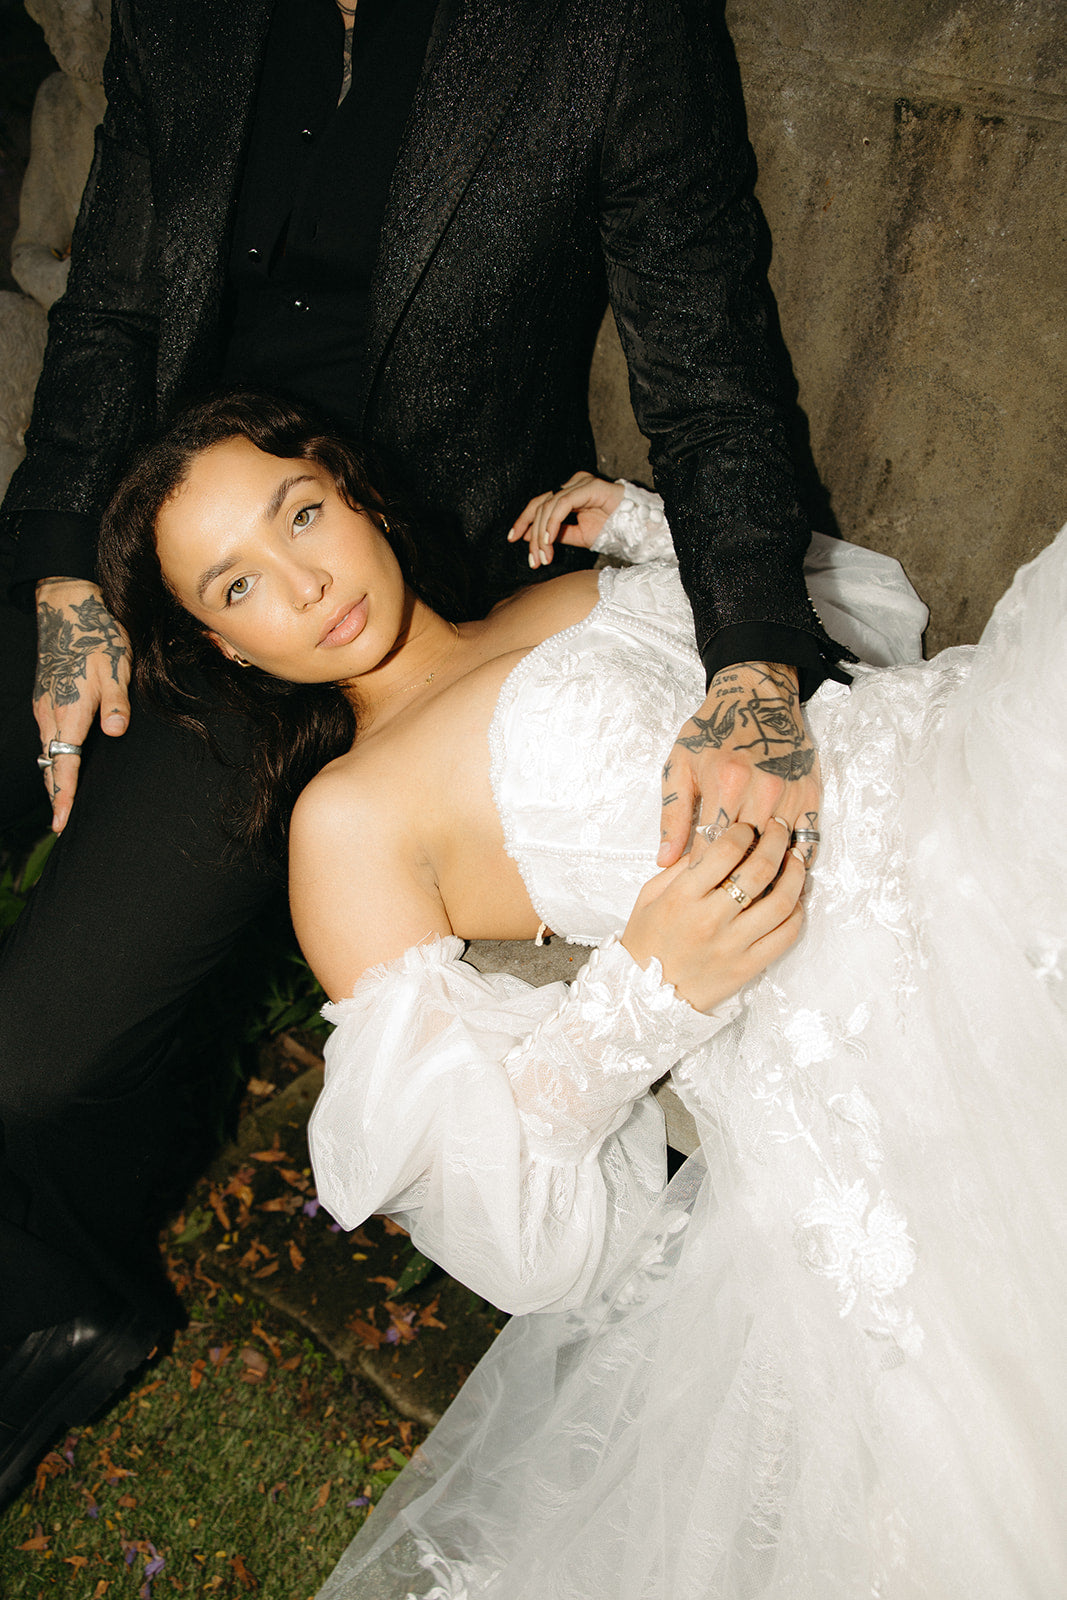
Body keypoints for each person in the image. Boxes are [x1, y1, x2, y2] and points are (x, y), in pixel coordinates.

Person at [0, 0, 851, 1500]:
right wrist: (68, 570)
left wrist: (757, 662)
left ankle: (65, 1294)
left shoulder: (605, 28)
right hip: (166, 547)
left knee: (39, 1056)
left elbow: (709, 356)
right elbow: (113, 311)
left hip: (394, 592)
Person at [96, 394, 1066, 1597]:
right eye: (235, 587)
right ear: (223, 648)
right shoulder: (346, 824)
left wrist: (661, 531)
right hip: (849, 1014)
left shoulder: (563, 594)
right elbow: (492, 1203)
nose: (299, 583)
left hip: (947, 781)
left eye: (301, 514)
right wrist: (645, 994)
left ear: (355, 493)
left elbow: (861, 629)